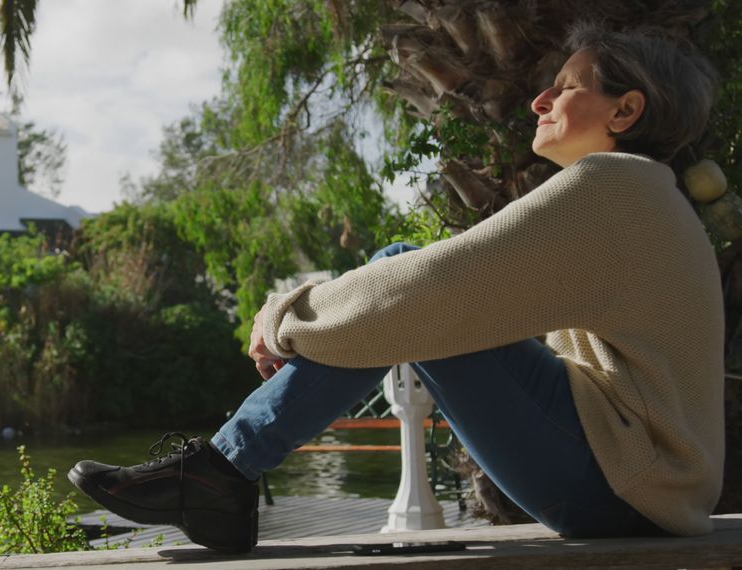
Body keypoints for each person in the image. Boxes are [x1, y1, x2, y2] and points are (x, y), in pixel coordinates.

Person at [68, 24, 724, 554]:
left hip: (620, 486)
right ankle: (220, 474)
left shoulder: (615, 188)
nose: (539, 101)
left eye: (564, 87)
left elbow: (437, 284)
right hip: (635, 483)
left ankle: (221, 474)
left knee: (407, 275)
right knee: (406, 282)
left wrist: (285, 316)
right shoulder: (646, 197)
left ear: (626, 108)